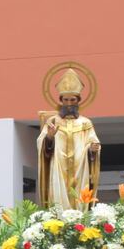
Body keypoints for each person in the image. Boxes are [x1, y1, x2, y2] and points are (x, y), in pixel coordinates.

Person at [37, 68, 101, 211]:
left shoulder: (86, 123)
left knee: (79, 196)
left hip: (80, 167)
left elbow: (93, 142)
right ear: (61, 101)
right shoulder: (53, 121)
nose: (69, 103)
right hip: (58, 167)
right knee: (58, 196)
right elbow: (42, 145)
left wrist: (92, 150)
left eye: (73, 100)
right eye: (66, 100)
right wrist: (49, 137)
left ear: (78, 101)